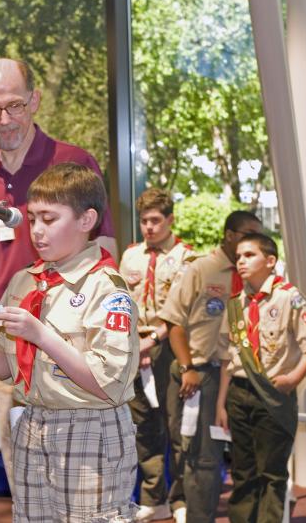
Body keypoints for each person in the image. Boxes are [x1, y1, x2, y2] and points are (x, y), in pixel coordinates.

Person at [0, 57, 117, 490]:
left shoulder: (73, 163)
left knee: (83, 490)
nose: (4, 120)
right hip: (7, 353)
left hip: (70, 348)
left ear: (35, 101)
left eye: (15, 106)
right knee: (26, 485)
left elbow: (107, 253)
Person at [0, 163, 139, 521]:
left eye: (49, 219)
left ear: (86, 220)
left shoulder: (105, 288)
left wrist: (42, 335)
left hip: (89, 426)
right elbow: (9, 371)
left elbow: (108, 384)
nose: (37, 231)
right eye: (32, 219)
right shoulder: (24, 282)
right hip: (34, 423)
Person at [159, 210, 262, 523]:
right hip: (202, 374)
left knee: (246, 456)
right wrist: (187, 366)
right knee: (202, 456)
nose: (252, 242)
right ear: (230, 235)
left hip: (241, 376)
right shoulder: (201, 269)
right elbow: (174, 321)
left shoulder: (254, 273)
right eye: (246, 234)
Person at [214, 233, 306, 523]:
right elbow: (228, 356)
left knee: (271, 474)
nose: (241, 262)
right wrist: (221, 404)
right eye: (238, 256)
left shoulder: (289, 297)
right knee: (243, 472)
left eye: (249, 255)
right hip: (239, 393)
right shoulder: (236, 303)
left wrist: (293, 379)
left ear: (270, 261)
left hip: (273, 394)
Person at [119, 188, 195, 523]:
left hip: (170, 346)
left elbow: (184, 308)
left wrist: (156, 338)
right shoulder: (131, 256)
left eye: (155, 220)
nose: (148, 227)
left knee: (176, 427)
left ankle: (181, 500)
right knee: (144, 426)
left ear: (170, 220)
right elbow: (121, 300)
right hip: (136, 344)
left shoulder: (186, 257)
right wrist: (136, 340)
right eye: (144, 221)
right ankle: (154, 498)